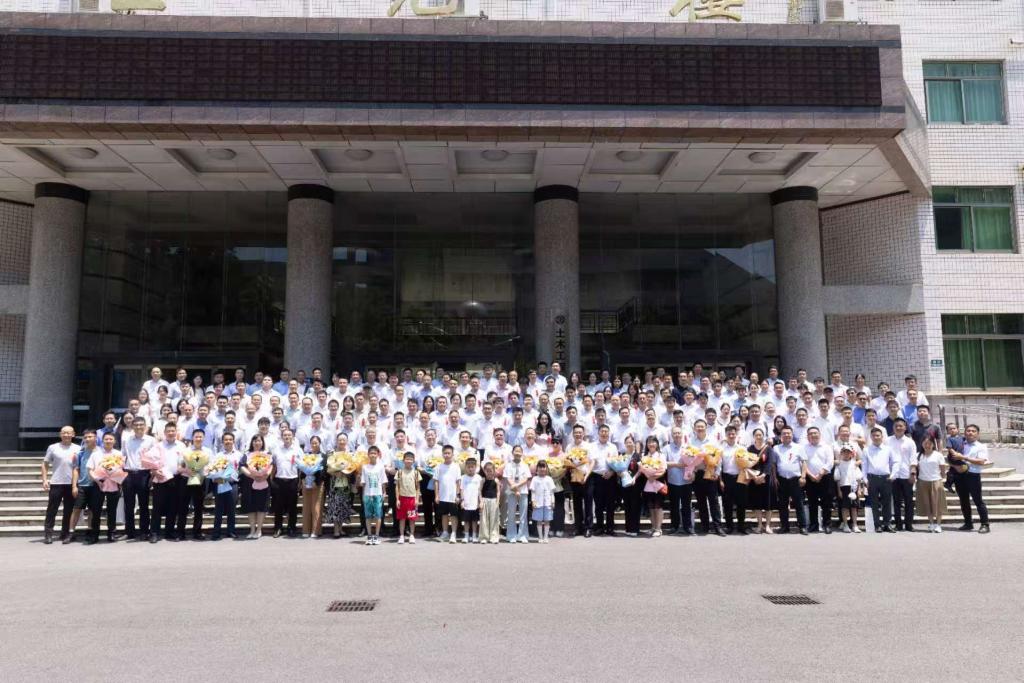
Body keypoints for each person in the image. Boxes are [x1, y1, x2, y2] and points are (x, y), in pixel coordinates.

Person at [41, 425, 80, 545]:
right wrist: (45, 480)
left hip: (71, 484)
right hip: (56, 483)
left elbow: (79, 467)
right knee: (52, 510)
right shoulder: (53, 447)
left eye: (69, 433)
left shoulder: (78, 448)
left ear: (73, 434)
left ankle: (65, 533)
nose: (66, 435)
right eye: (64, 433)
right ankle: (48, 534)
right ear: (60, 434)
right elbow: (45, 464)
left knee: (69, 510)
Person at [950, 424, 991, 533]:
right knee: (963, 501)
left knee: (978, 501)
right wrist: (954, 465)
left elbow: (981, 461)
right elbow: (951, 458)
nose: (970, 433)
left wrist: (963, 457)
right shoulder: (960, 444)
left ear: (978, 434)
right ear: (964, 433)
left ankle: (985, 524)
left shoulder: (981, 446)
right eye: (968, 431)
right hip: (959, 476)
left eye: (973, 431)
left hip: (973, 476)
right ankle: (968, 523)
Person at [150, 423, 186, 543]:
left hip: (176, 478)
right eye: (168, 431)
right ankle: (154, 532)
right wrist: (154, 471)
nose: (171, 433)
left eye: (173, 431)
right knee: (157, 507)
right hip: (161, 478)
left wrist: (183, 468)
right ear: (164, 433)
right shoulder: (158, 446)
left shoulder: (181, 445)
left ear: (176, 432)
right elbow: (151, 461)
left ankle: (169, 531)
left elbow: (185, 461)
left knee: (173, 507)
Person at [121, 416, 156, 541]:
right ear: (132, 426)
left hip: (144, 474)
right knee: (128, 505)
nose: (139, 427)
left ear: (145, 426)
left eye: (141, 424)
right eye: (136, 425)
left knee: (144, 505)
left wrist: (152, 475)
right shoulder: (126, 439)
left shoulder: (151, 440)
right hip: (129, 474)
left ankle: (144, 531)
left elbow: (155, 458)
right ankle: (129, 532)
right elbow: (122, 456)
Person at [771, 426, 808, 535]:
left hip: (796, 479)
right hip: (782, 480)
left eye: (789, 433)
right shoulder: (776, 448)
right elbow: (773, 464)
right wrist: (775, 478)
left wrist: (803, 477)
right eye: (784, 433)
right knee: (782, 505)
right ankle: (784, 527)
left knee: (799, 504)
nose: (787, 435)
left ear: (792, 435)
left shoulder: (799, 447)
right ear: (780, 436)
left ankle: (802, 527)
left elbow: (804, 462)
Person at [176, 429, 211, 541]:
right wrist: (187, 470)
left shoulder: (208, 451)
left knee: (199, 507)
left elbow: (211, 466)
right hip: (186, 480)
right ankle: (180, 533)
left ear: (204, 438)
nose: (198, 439)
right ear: (192, 438)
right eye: (196, 436)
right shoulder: (186, 451)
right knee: (182, 507)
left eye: (200, 437)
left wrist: (207, 471)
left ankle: (197, 532)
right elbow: (179, 468)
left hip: (200, 481)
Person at [862, 427, 898, 533]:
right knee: (874, 503)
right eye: (874, 436)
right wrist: (865, 479)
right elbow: (864, 466)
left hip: (886, 478)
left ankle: (887, 524)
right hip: (872, 478)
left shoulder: (888, 449)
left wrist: (893, 475)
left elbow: (895, 462)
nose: (876, 437)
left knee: (887, 502)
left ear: (882, 437)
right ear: (871, 437)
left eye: (878, 435)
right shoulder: (866, 450)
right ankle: (877, 525)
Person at [68, 430, 99, 544]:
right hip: (82, 485)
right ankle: (71, 532)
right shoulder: (80, 453)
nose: (87, 439)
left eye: (90, 437)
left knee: (92, 510)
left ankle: (90, 531)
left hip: (96, 485)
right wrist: (74, 486)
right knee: (76, 509)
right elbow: (76, 470)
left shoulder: (101, 452)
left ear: (96, 438)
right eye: (85, 437)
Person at [239, 435, 273, 540]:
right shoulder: (247, 455)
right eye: (255, 441)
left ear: (262, 442)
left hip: (263, 482)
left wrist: (266, 475)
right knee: (251, 507)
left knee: (261, 506)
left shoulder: (267, 454)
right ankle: (252, 530)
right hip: (249, 483)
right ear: (252, 442)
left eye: (259, 441)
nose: (257, 443)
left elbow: (271, 465)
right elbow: (241, 466)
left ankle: (259, 530)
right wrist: (251, 475)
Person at [802, 427, 835, 534]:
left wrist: (820, 473)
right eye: (810, 433)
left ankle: (827, 525)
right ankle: (814, 525)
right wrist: (810, 475)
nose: (813, 435)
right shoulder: (804, 448)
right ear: (808, 436)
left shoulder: (826, 447)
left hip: (825, 477)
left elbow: (830, 462)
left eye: (815, 433)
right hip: (810, 478)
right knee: (812, 502)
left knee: (826, 503)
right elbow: (803, 463)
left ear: (819, 434)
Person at [271, 428, 301, 538]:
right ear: (282, 437)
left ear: (293, 437)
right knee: (278, 507)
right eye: (285, 435)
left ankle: (291, 528)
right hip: (279, 481)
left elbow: (301, 467)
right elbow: (273, 465)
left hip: (293, 480)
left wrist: (300, 482)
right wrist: (271, 479)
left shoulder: (298, 450)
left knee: (292, 507)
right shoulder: (276, 450)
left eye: (289, 435)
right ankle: (278, 528)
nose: (287, 437)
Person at [210, 432, 241, 541]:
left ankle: (231, 531)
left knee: (232, 509)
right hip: (220, 483)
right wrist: (215, 478)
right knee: (219, 509)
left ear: (233, 441)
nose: (228, 441)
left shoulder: (239, 455)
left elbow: (241, 470)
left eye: (230, 439)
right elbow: (212, 469)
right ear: (222, 442)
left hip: (233, 484)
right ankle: (216, 532)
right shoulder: (218, 455)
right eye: (226, 440)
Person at [324, 434, 356, 538]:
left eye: (344, 440)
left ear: (347, 441)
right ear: (336, 441)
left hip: (346, 482)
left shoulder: (349, 454)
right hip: (335, 483)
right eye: (340, 440)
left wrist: (347, 472)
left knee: (343, 505)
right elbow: (328, 469)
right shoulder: (332, 453)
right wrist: (336, 473)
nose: (342, 442)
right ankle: (336, 530)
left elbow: (353, 468)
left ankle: (341, 528)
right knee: (335, 505)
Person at [913, 436, 948, 533]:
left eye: (929, 443)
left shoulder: (938, 455)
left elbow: (942, 469)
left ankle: (938, 524)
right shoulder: (918, 455)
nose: (927, 445)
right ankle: (931, 523)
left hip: (936, 481)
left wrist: (942, 478)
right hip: (922, 481)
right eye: (925, 443)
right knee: (927, 503)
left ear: (933, 444)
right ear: (922, 444)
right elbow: (915, 467)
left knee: (938, 504)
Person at [299, 435, 327, 539]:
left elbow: (324, 471)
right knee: (306, 507)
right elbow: (302, 469)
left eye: (316, 443)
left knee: (316, 507)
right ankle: (305, 530)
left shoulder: (323, 456)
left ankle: (316, 531)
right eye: (312, 443)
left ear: (319, 444)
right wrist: (303, 479)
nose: (314, 445)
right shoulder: (307, 455)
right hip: (306, 483)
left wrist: (317, 482)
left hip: (318, 484)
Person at [639, 436, 667, 537]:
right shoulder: (644, 456)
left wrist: (654, 477)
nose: (651, 444)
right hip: (647, 484)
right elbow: (642, 469)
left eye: (653, 442)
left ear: (657, 444)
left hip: (658, 483)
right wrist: (648, 476)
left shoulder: (661, 455)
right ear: (646, 445)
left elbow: (663, 469)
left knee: (658, 506)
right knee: (650, 506)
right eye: (649, 442)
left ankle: (659, 528)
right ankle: (653, 527)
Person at [504, 445, 531, 543]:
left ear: (522, 453)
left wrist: (517, 487)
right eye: (516, 451)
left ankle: (522, 535)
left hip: (523, 492)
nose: (518, 453)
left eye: (520, 451)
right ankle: (511, 535)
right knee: (511, 514)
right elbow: (507, 478)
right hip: (511, 492)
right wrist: (515, 490)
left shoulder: (525, 465)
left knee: (523, 514)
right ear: (512, 453)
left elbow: (526, 478)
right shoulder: (508, 465)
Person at [360, 446, 386, 545]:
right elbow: (363, 482)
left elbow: (383, 481)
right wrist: (363, 494)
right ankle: (369, 535)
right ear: (368, 455)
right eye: (371, 453)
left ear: (378, 455)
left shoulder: (381, 467)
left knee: (378, 515)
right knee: (368, 516)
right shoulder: (364, 467)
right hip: (368, 494)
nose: (373, 455)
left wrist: (384, 492)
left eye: (375, 453)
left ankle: (376, 536)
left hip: (378, 494)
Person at [434, 445, 461, 544]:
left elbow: (458, 482)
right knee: (444, 515)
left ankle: (453, 533)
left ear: (452, 454)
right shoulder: (439, 467)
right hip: (442, 496)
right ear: (442, 454)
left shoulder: (456, 467)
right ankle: (445, 533)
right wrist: (437, 495)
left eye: (449, 453)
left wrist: (458, 495)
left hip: (453, 496)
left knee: (453, 515)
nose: (447, 455)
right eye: (445, 453)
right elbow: (436, 482)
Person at [834, 446, 862, 532]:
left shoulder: (854, 464)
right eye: (844, 452)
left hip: (853, 487)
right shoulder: (839, 464)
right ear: (841, 453)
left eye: (848, 452)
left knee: (854, 507)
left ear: (851, 454)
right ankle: (845, 525)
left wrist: (859, 489)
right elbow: (837, 479)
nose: (846, 454)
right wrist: (839, 490)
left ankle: (855, 525)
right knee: (844, 507)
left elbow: (858, 478)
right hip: (844, 487)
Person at [396, 451, 422, 544]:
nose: (409, 461)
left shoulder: (416, 472)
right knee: (402, 518)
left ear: (414, 461)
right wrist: (397, 499)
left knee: (412, 518)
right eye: (407, 459)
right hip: (402, 498)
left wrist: (417, 499)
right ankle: (401, 535)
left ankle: (411, 535)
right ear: (403, 460)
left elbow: (418, 487)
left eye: (411, 459)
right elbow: (397, 486)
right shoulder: (399, 472)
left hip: (412, 498)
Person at [529, 460, 556, 543]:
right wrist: (533, 501)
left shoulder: (549, 479)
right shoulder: (535, 479)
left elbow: (552, 492)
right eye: (540, 467)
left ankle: (546, 537)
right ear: (537, 468)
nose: (542, 469)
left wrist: (553, 501)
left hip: (548, 503)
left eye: (544, 467)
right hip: (538, 503)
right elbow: (533, 491)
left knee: (547, 520)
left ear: (546, 468)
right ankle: (540, 537)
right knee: (539, 520)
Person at [458, 457, 482, 543]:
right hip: (466, 502)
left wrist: (480, 501)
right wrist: (462, 501)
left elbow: (480, 491)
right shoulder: (463, 477)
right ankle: (466, 536)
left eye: (472, 467)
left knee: (475, 521)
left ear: (476, 467)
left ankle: (474, 536)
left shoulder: (478, 478)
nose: (470, 469)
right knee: (466, 521)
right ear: (465, 467)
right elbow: (461, 490)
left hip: (475, 503)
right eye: (468, 467)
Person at [479, 461, 501, 544]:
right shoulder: (483, 480)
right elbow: (479, 491)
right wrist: (481, 501)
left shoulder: (496, 480)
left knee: (494, 520)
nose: (489, 473)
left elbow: (498, 492)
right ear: (484, 471)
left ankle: (494, 537)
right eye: (487, 471)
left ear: (494, 471)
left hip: (493, 501)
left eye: (490, 471)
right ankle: (484, 537)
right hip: (485, 500)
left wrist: (497, 501)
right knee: (484, 520)